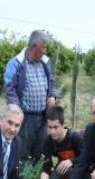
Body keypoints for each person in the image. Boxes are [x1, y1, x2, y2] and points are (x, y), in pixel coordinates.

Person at [4, 30, 57, 160]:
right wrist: (15, 109)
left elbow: (51, 82)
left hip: (44, 116)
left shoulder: (45, 63)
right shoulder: (16, 63)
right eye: (43, 47)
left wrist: (52, 96)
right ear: (34, 46)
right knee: (23, 152)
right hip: (26, 118)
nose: (45, 51)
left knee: (41, 151)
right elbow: (10, 89)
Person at [31, 106, 83, 179]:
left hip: (78, 170)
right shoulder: (48, 141)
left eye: (56, 127)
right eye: (49, 127)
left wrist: (71, 161)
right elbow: (47, 167)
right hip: (62, 169)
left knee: (69, 170)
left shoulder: (74, 137)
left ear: (63, 124)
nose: (52, 131)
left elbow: (87, 158)